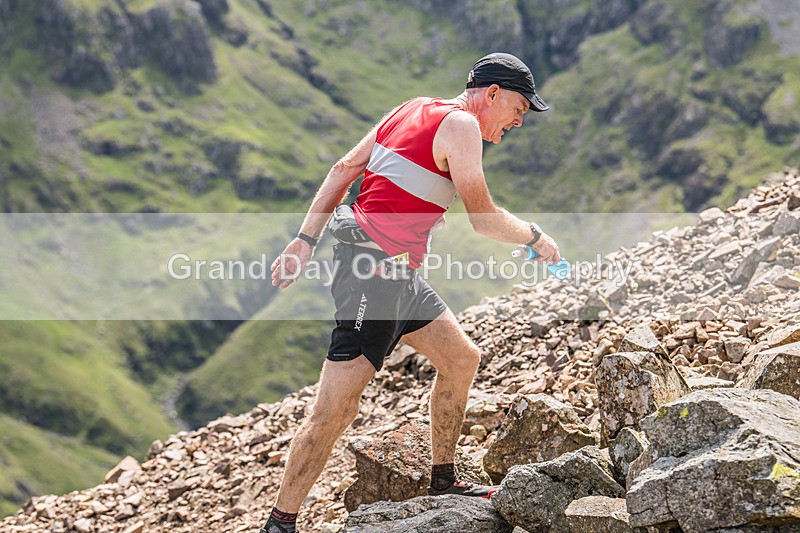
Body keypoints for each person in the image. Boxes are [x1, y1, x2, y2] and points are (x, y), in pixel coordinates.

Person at [261, 52, 561, 533]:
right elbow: (483, 218)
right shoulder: (462, 126)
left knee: (462, 360)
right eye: (519, 110)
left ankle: (443, 479)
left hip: (399, 274)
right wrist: (534, 236)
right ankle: (280, 522)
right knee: (334, 409)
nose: (517, 123)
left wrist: (304, 241)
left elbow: (343, 169)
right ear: (492, 94)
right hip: (371, 274)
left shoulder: (414, 107)